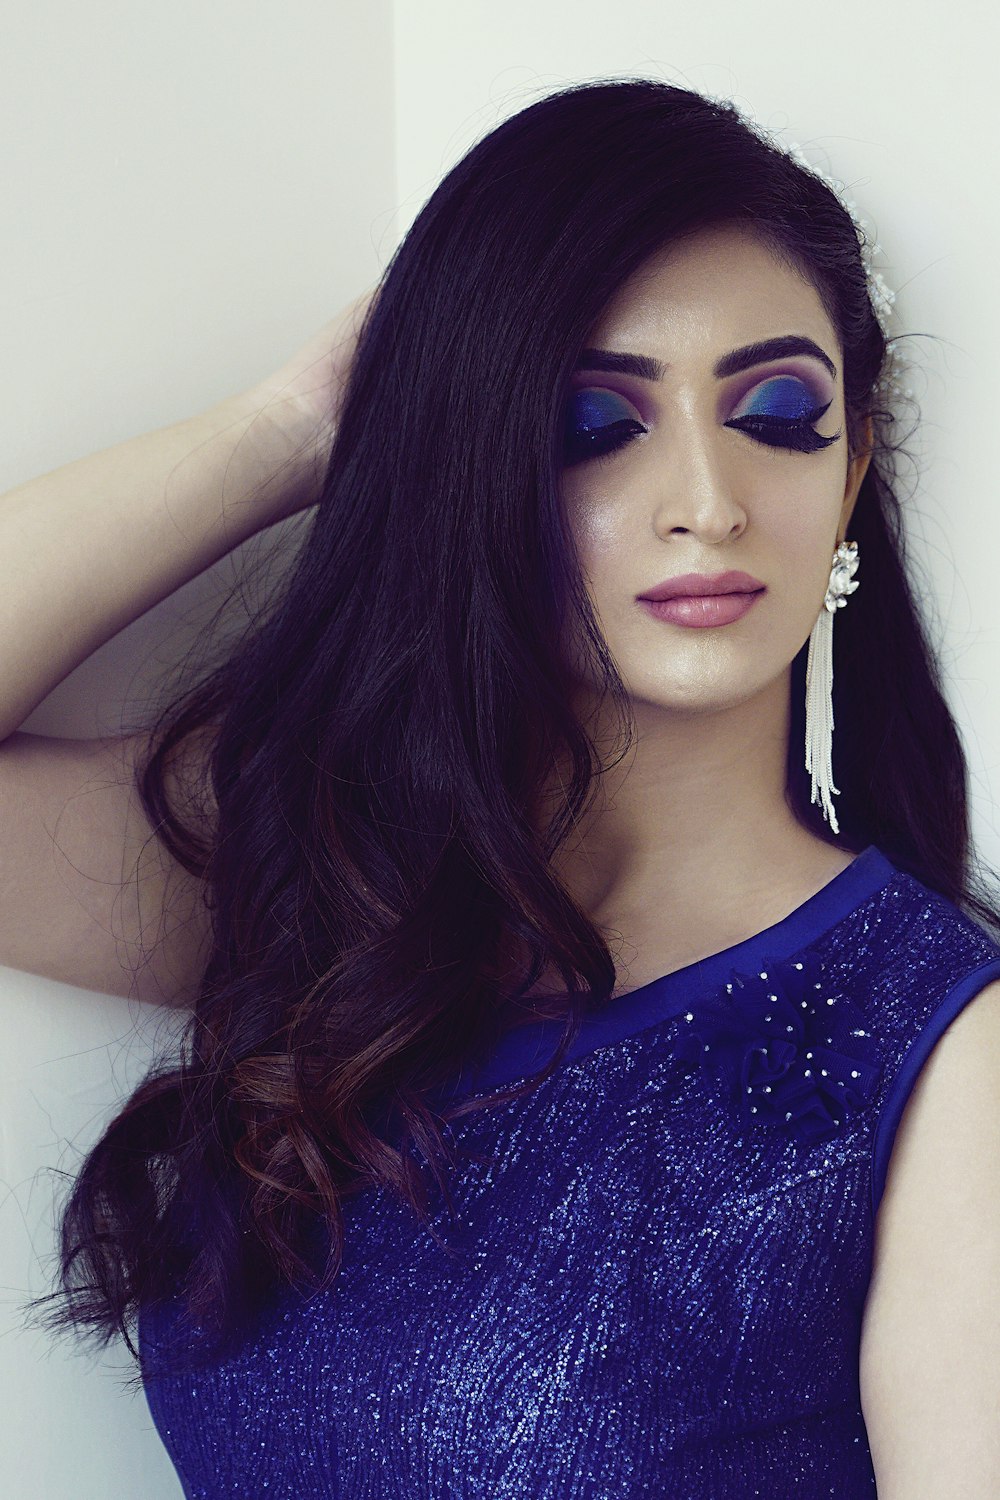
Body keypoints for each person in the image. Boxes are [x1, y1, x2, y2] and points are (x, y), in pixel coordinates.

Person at [5, 76, 1000, 1497]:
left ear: (850, 479)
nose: (709, 498)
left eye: (779, 412)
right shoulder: (327, 891)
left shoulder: (944, 1057)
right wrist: (294, 431)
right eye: (596, 426)